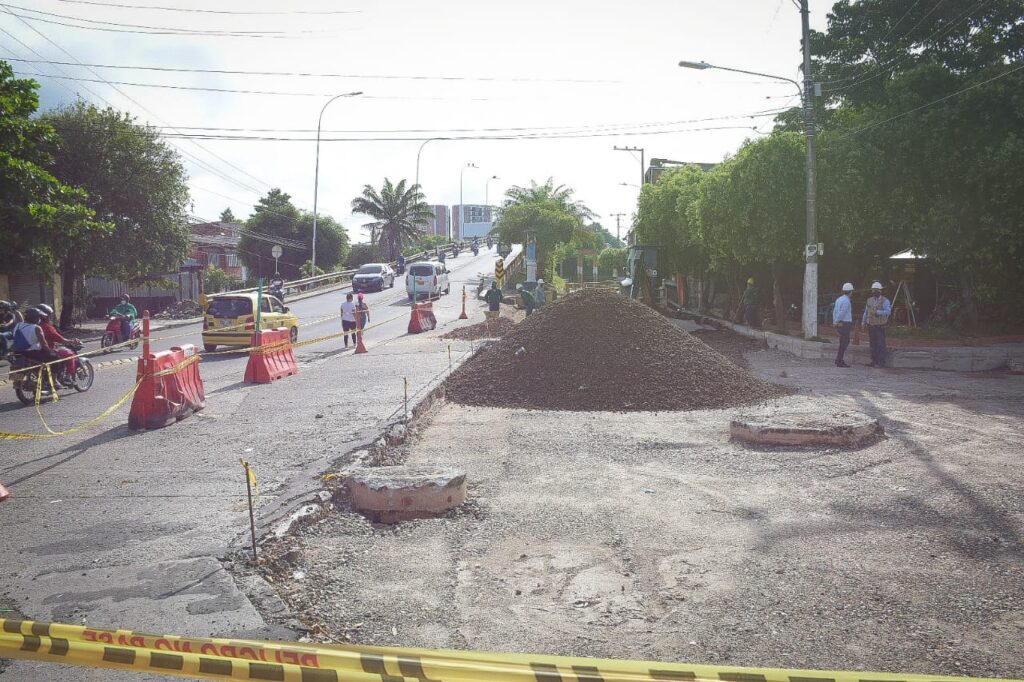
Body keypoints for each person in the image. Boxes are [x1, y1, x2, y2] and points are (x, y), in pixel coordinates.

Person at [36, 304, 80, 385]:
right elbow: (60, 339)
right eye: (50, 315)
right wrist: (72, 341)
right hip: (49, 350)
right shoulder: (47, 327)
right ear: (45, 316)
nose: (51, 317)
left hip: (36, 351)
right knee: (70, 354)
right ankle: (67, 378)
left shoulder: (33, 325)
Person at [861, 281, 892, 367]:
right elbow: (866, 312)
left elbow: (888, 312)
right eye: (873, 290)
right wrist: (863, 322)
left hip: (880, 325)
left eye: (876, 290)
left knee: (880, 344)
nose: (874, 292)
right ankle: (874, 360)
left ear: (880, 291)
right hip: (871, 325)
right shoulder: (869, 300)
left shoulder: (885, 301)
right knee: (872, 344)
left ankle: (881, 362)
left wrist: (877, 312)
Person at [832, 283, 854, 368]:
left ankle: (839, 359)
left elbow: (835, 311)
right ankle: (839, 360)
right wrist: (837, 321)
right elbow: (842, 312)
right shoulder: (846, 301)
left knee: (842, 341)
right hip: (845, 322)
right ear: (850, 292)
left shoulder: (839, 299)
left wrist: (835, 321)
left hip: (840, 322)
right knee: (845, 342)